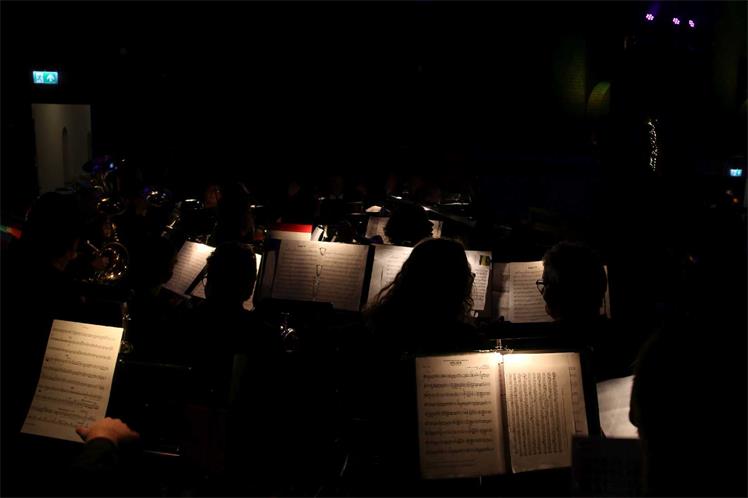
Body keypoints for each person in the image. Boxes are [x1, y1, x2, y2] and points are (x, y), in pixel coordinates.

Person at [342, 239, 482, 495]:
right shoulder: (463, 339)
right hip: (440, 466)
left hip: (377, 461)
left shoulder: (373, 328)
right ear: (459, 286)